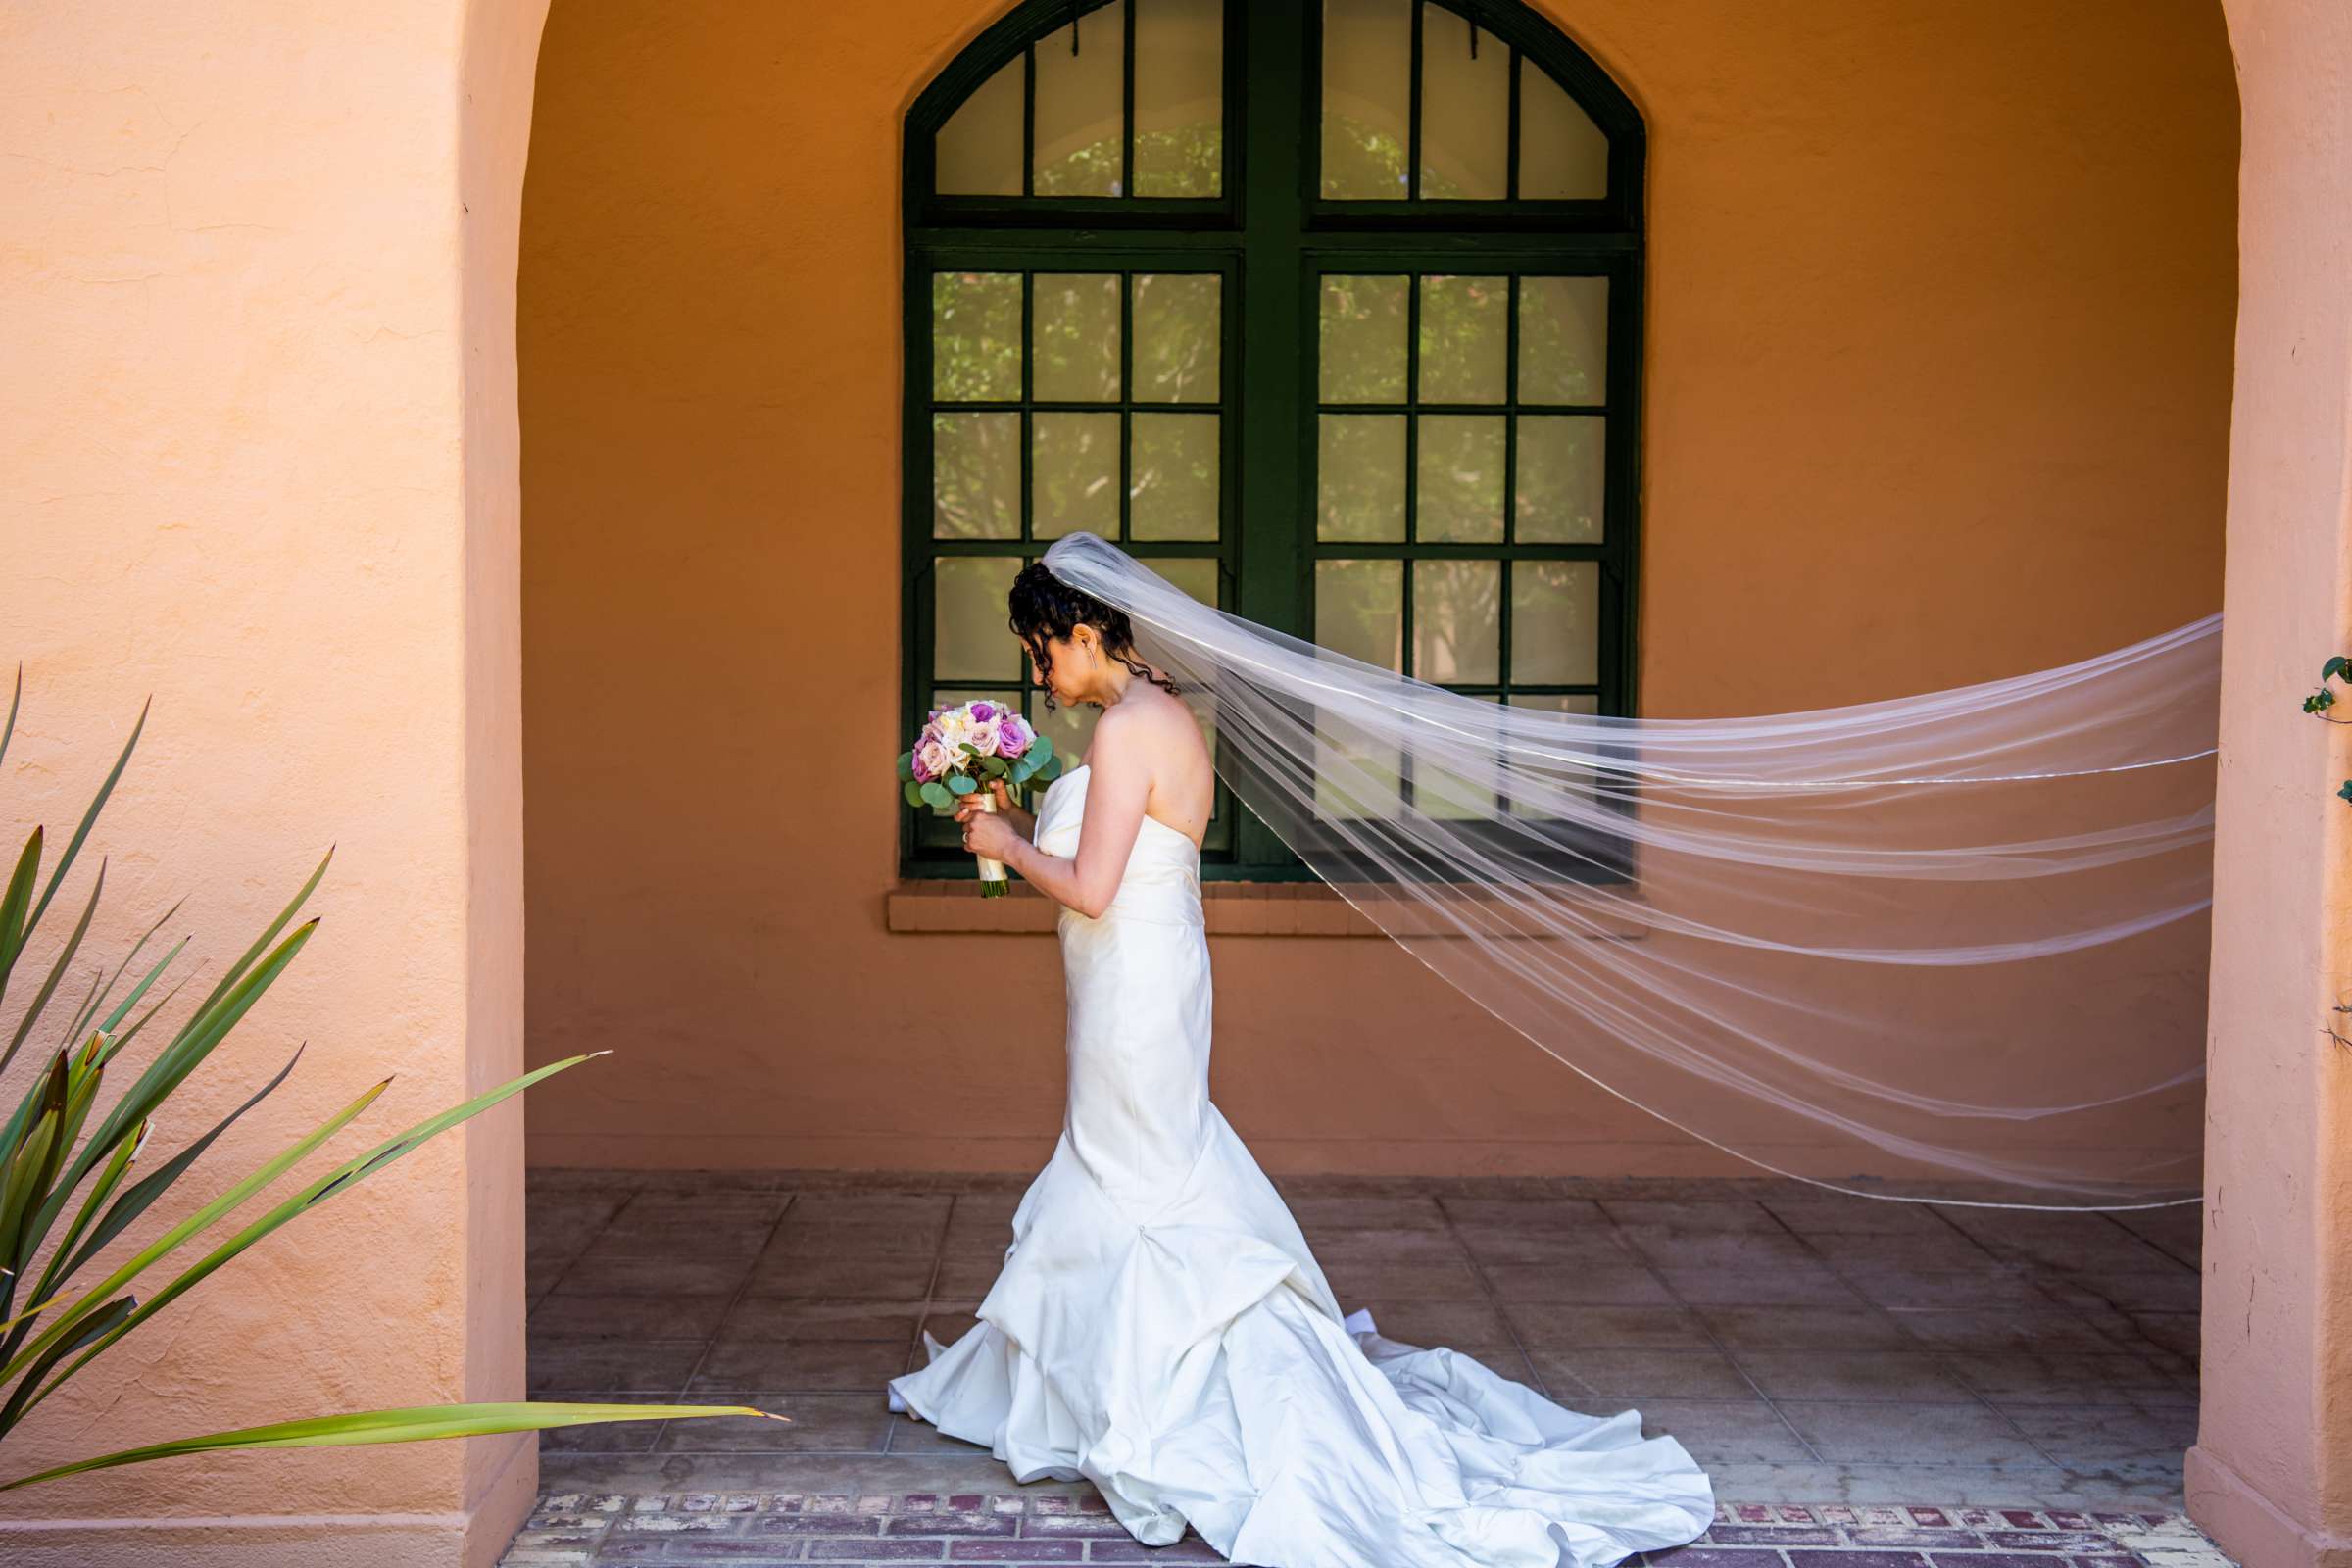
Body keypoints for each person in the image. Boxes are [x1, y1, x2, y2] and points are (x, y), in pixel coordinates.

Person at [885, 560, 1715, 1568]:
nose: (1038, 673)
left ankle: (1168, 1401)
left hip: (1135, 990)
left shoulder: (1125, 729)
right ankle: (1103, 1384)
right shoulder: (1165, 715)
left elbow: (1095, 887)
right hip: (1142, 984)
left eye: (1041, 648)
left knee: (1142, 1178)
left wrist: (1012, 843)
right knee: (1135, 1168)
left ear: (1082, 634)